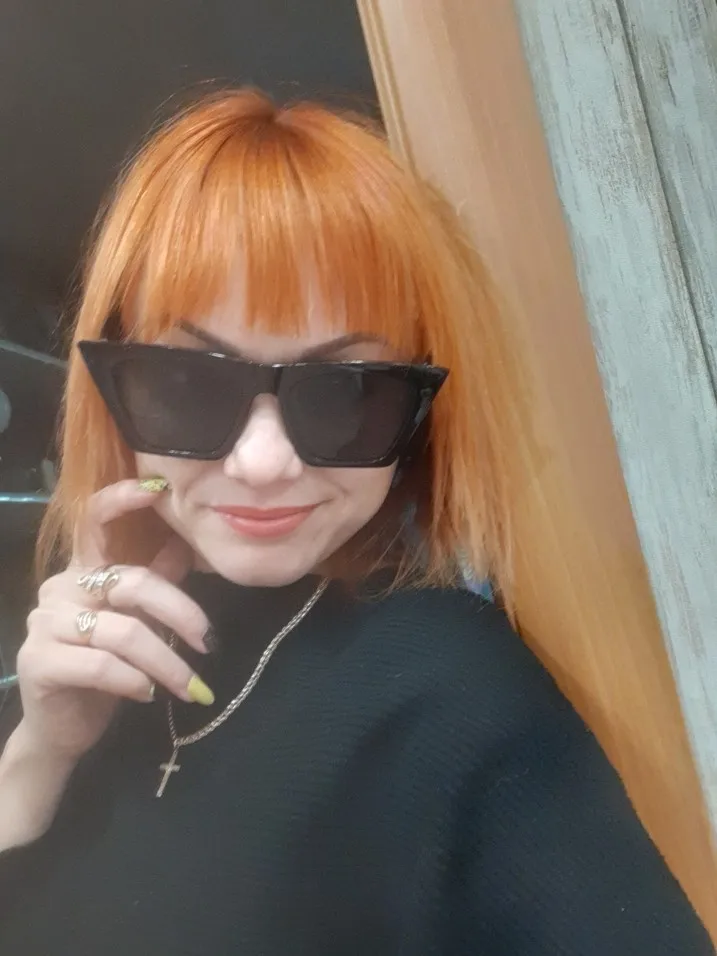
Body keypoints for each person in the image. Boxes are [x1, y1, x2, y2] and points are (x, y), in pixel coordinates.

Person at [0, 89, 711, 955]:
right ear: (114, 392)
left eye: (342, 396)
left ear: (416, 415)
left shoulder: (447, 686)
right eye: (190, 385)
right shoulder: (86, 664)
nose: (263, 461)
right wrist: (39, 752)